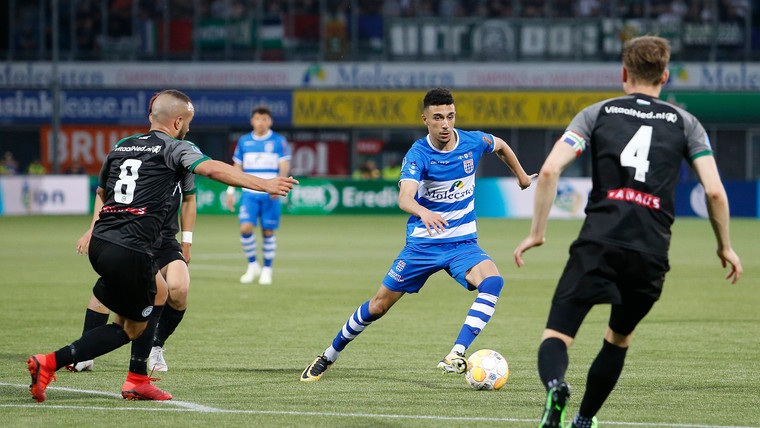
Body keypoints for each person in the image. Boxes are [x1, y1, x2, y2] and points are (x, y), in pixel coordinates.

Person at [512, 36, 743, 428]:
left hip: (598, 241)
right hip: (650, 250)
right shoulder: (687, 124)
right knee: (618, 338)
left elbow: (550, 170)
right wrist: (726, 246)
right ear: (665, 76)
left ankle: (555, 386)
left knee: (558, 333)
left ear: (624, 74)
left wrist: (537, 232)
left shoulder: (596, 113)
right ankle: (585, 419)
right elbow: (715, 191)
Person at [26, 89, 297, 403]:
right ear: (179, 121)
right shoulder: (175, 148)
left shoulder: (122, 146)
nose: (189, 130)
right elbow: (211, 168)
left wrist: (92, 230)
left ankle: (137, 378)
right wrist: (264, 184)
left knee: (160, 291)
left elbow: (102, 191)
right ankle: (51, 363)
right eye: (188, 123)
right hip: (131, 246)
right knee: (131, 327)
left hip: (103, 241)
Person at [301, 87, 535, 382]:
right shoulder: (418, 154)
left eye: (450, 116)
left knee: (493, 281)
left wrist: (522, 175)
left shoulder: (472, 141)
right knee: (378, 306)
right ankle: (328, 355)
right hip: (422, 247)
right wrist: (423, 212)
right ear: (425, 119)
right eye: (438, 117)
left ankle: (455, 353)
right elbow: (404, 198)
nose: (446, 124)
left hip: (462, 244)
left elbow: (500, 145)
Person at [67, 168, 196, 375]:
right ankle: (85, 352)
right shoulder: (130, 150)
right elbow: (103, 193)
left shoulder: (183, 154)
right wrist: (94, 229)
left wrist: (187, 242)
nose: (187, 131)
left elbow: (189, 198)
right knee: (111, 290)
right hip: (132, 235)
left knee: (179, 288)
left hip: (165, 241)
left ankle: (156, 345)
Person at [226, 106, 291, 285]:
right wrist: (230, 190)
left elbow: (284, 164)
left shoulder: (279, 141)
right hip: (249, 192)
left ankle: (267, 269)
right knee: (245, 228)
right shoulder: (244, 141)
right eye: (257, 119)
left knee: (268, 231)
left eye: (264, 119)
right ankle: (253, 265)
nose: (260, 122)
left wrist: (280, 184)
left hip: (270, 193)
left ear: (270, 121)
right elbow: (236, 167)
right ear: (252, 121)